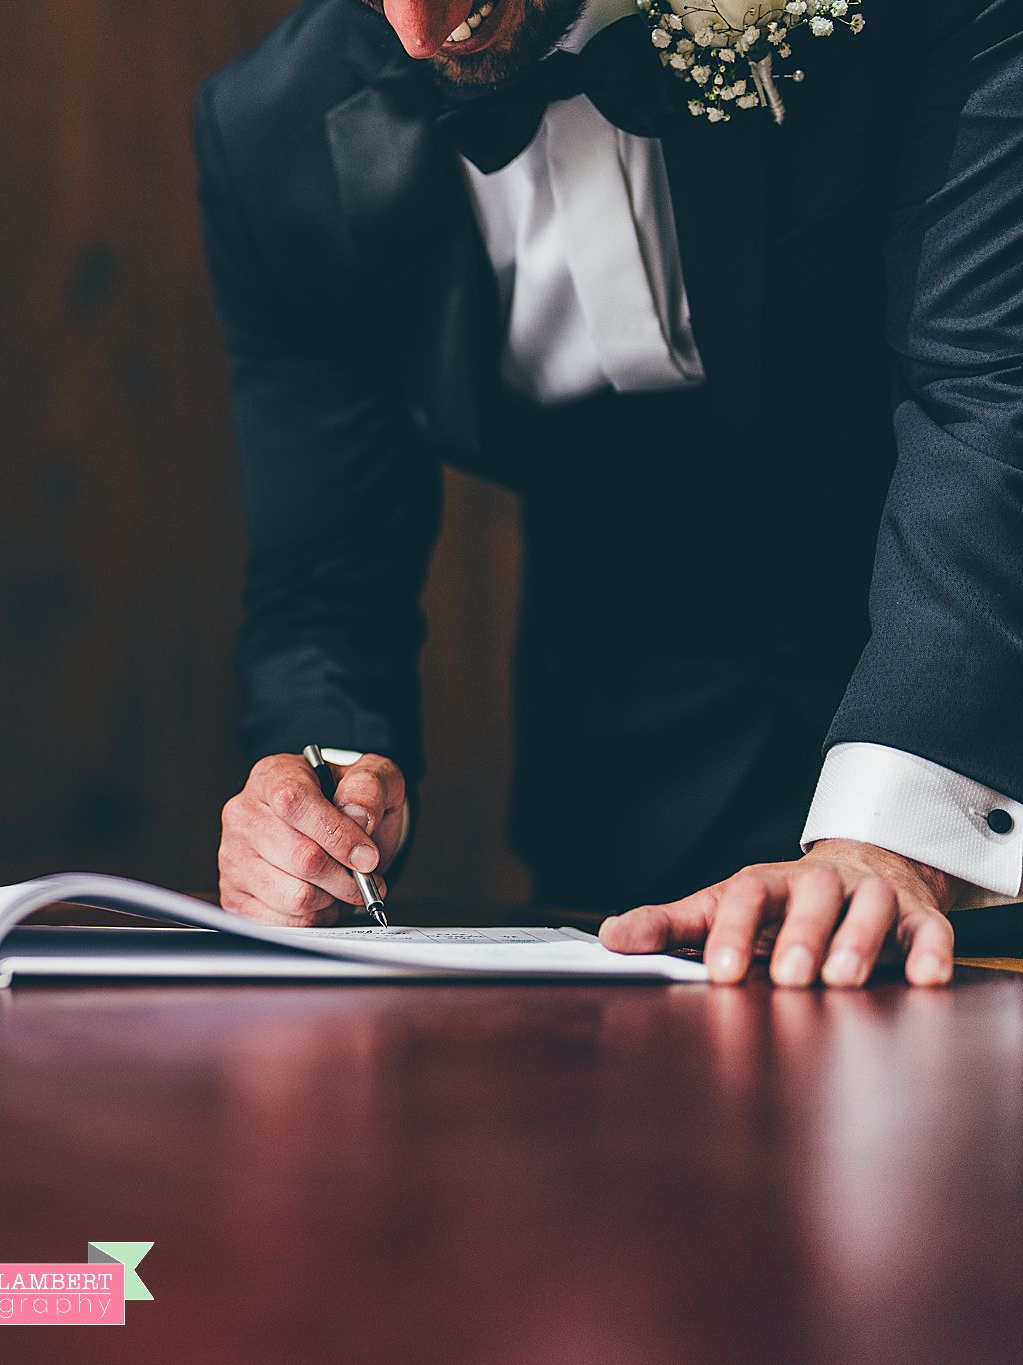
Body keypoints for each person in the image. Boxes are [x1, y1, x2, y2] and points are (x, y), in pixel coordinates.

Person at [202, 0, 1022, 985]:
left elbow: (986, 393)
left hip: (975, 714)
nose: (417, 34)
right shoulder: (269, 127)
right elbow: (326, 580)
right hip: (622, 824)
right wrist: (322, 798)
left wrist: (892, 829)